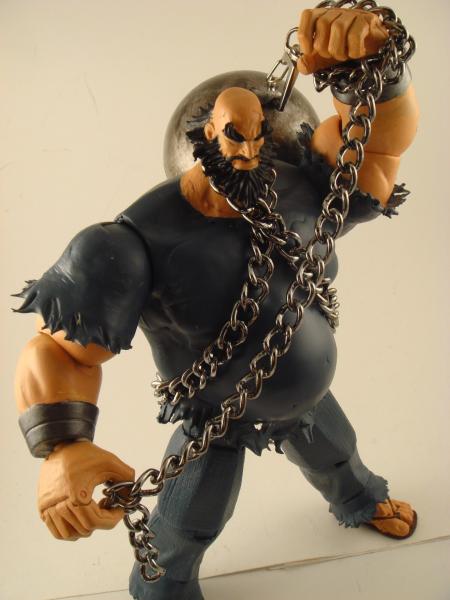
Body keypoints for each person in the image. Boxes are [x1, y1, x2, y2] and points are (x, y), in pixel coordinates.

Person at [14, 6, 419, 600]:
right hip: (216, 418)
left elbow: (378, 146)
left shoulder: (306, 189)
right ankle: (162, 588)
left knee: (339, 456)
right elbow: (60, 352)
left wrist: (377, 64)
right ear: (204, 136)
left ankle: (359, 499)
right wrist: (61, 448)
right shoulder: (133, 243)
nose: (249, 152)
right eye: (234, 135)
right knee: (188, 522)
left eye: (259, 138)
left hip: (307, 398)